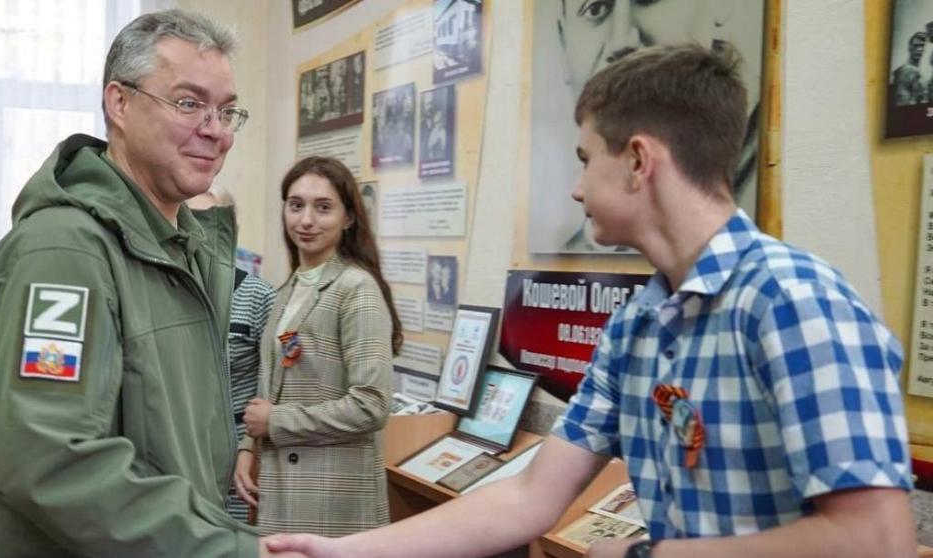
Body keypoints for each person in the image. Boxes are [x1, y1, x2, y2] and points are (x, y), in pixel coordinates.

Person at [263, 45, 916, 558]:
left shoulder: (793, 301)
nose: (576, 188)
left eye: (584, 159)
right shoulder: (638, 326)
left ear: (638, 161)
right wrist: (347, 550)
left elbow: (874, 540)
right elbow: (528, 495)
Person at [0, 10, 279, 557]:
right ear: (119, 103)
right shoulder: (63, 251)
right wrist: (231, 550)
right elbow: (49, 458)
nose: (216, 130)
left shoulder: (184, 248)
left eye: (226, 111)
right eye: (189, 103)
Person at [233, 156, 402, 538]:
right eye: (296, 205)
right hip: (282, 484)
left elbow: (372, 405)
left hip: (331, 496)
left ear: (348, 217)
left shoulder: (355, 289)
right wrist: (248, 446)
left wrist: (275, 422)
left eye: (323, 207)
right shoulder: (289, 289)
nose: (306, 220)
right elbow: (273, 387)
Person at [535, 0, 763, 253]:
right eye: (595, 8)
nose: (621, 41)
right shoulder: (669, 276)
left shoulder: (777, 281)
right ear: (563, 40)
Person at [187, 186, 277, 524]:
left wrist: (249, 448)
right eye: (190, 219)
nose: (200, 231)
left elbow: (276, 380)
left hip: (238, 453)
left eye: (209, 220)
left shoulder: (259, 296)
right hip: (181, 448)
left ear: (231, 227)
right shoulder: (166, 290)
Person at [892, 31, 928, 106]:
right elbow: (902, 103)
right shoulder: (905, 71)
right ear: (909, 48)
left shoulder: (921, 73)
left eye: (922, 45)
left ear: (924, 49)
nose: (919, 49)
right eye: (916, 46)